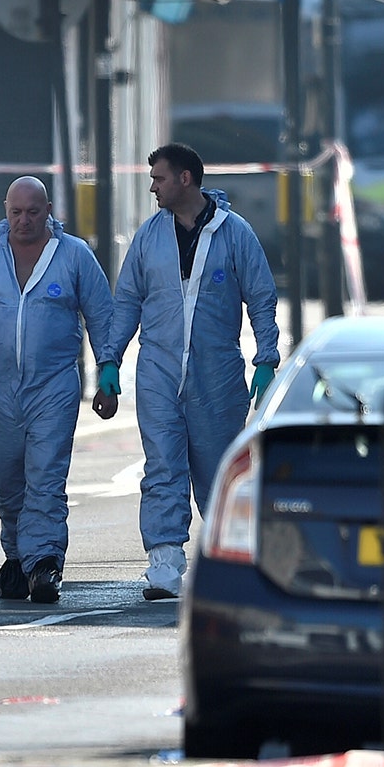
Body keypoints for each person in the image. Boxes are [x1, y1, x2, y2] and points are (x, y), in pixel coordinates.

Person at [111, 143, 280, 601]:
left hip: (217, 374)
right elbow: (127, 300)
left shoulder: (235, 234)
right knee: (163, 466)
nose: (152, 187)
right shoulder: (149, 236)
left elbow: (261, 298)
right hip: (158, 370)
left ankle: (234, 561)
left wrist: (266, 359)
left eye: (159, 178)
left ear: (185, 179)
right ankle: (164, 567)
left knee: (219, 471)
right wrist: (110, 360)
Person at [0, 177, 120, 604]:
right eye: (16, 212)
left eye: (33, 212)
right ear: (5, 211)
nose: (23, 220)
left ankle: (44, 563)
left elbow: (103, 318)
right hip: (0, 387)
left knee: (45, 476)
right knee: (7, 476)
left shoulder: (74, 255)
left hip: (55, 386)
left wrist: (108, 373)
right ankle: (17, 556)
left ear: (49, 211)